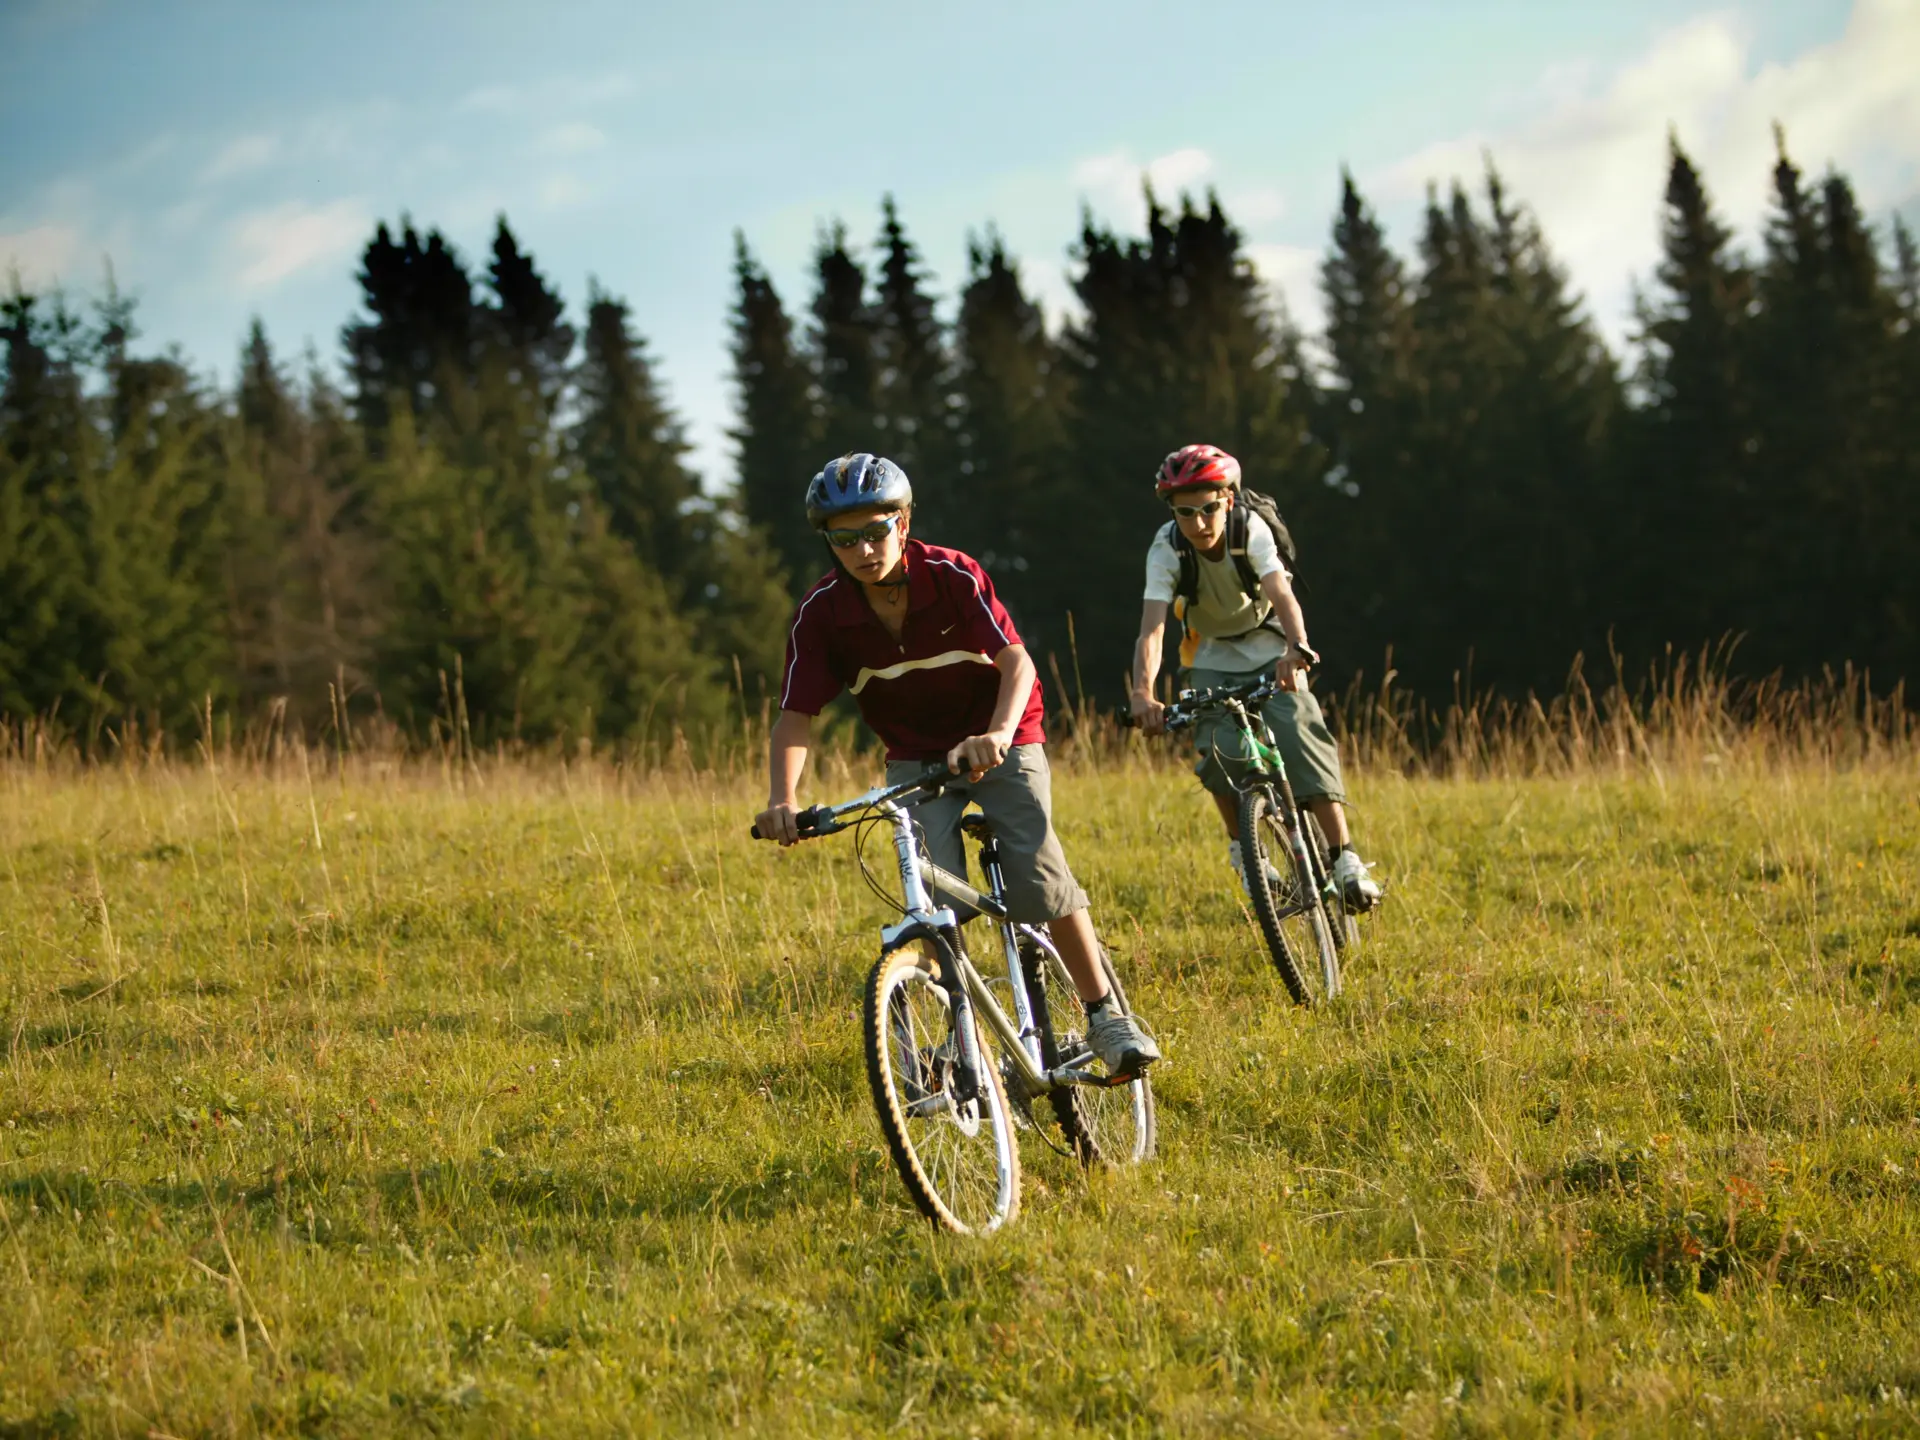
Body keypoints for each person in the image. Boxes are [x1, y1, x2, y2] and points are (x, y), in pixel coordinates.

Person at [755, 452, 1160, 1077]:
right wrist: (783, 798)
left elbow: (1016, 663)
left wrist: (997, 734)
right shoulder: (823, 614)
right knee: (932, 898)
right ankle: (960, 1038)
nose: (863, 549)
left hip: (1001, 734)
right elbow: (795, 717)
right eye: (844, 538)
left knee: (1037, 871)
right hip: (916, 757)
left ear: (904, 522)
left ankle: (1106, 1013)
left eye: (875, 530)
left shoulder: (951, 574)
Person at [1129, 443, 1383, 912]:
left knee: (1299, 732)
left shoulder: (1251, 529)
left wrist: (1296, 649)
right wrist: (1143, 693)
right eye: (1186, 512)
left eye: (1209, 509)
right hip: (1211, 652)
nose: (1199, 523)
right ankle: (1246, 853)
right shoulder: (1167, 548)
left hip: (1271, 645)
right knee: (1217, 751)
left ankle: (1344, 857)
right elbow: (1154, 628)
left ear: (1228, 499)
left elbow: (1282, 595)